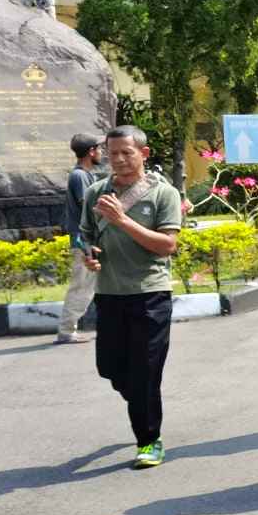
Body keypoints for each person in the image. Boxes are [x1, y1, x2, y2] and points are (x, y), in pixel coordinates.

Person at [78, 126, 183, 468]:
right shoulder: (96, 193)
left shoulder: (162, 194)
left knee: (145, 372)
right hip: (109, 294)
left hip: (150, 295)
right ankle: (140, 399)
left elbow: (167, 246)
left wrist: (122, 220)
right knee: (109, 368)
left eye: (127, 152)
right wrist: (90, 253)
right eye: (113, 154)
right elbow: (87, 237)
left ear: (144, 154)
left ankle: (149, 440)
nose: (119, 160)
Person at [54, 133, 103, 344]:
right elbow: (89, 206)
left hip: (89, 238)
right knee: (82, 286)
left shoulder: (85, 175)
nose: (101, 152)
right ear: (91, 151)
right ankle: (66, 330)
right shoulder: (80, 176)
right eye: (99, 149)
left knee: (92, 285)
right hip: (83, 240)